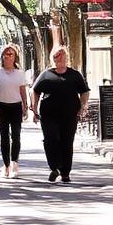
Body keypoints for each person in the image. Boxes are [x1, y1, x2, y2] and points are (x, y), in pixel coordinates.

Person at [32, 44, 90, 183]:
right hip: (48, 114)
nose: (59, 59)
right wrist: (34, 108)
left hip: (69, 115)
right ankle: (55, 167)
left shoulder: (74, 74)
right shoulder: (46, 74)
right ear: (52, 58)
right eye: (56, 56)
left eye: (61, 55)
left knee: (67, 142)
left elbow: (84, 91)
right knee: (50, 139)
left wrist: (83, 107)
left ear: (66, 57)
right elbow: (35, 91)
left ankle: (65, 172)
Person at [0, 43, 28, 178]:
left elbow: (22, 90)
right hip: (2, 106)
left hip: (16, 106)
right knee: (4, 137)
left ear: (15, 57)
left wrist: (25, 106)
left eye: (11, 53)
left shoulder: (20, 73)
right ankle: (6, 165)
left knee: (16, 136)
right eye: (6, 53)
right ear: (2, 56)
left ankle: (14, 164)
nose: (8, 56)